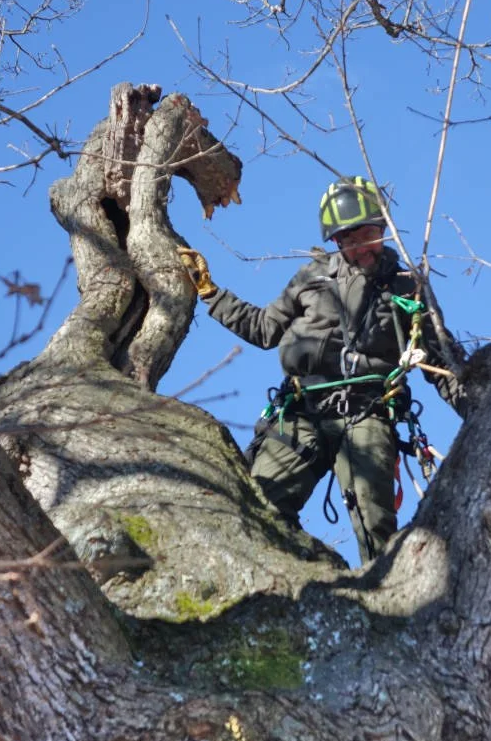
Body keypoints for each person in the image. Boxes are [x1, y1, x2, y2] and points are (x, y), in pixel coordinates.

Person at [177, 176, 467, 563]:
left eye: (368, 234)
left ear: (382, 230)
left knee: (375, 528)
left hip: (367, 414)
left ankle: (380, 603)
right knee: (258, 506)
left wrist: (478, 406)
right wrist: (211, 294)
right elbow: (264, 329)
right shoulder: (311, 278)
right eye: (349, 238)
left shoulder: (406, 288)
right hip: (302, 412)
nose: (360, 246)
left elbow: (439, 362)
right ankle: (316, 575)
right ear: (336, 240)